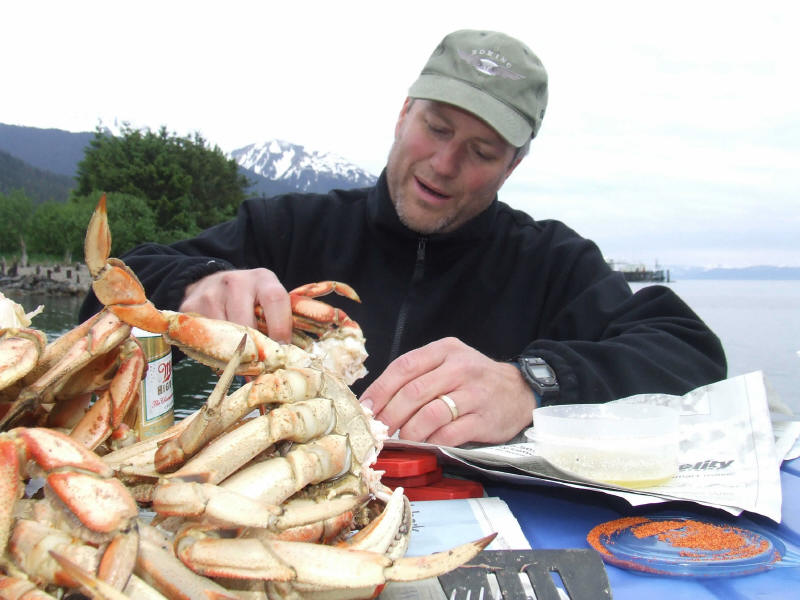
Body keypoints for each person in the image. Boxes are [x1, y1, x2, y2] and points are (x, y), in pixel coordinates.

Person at [79, 29, 726, 448]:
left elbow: (689, 351)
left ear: (514, 165)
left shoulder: (552, 261)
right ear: (402, 113)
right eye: (437, 128)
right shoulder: (290, 226)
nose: (445, 164)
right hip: (272, 516)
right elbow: (108, 289)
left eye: (481, 150)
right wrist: (194, 286)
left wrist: (531, 383)